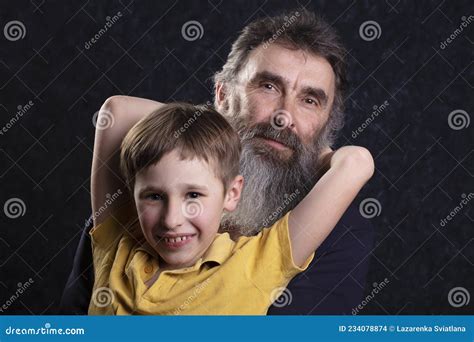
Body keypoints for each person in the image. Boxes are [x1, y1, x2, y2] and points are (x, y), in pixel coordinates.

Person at [61, 9, 375, 314]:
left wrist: (313, 153)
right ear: (222, 96)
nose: (283, 117)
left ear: (326, 126)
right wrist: (207, 136)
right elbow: (117, 112)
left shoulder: (328, 233)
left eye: (309, 101)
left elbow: (355, 163)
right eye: (267, 86)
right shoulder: (133, 222)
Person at [88, 102, 373, 314]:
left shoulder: (255, 264)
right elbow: (116, 110)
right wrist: (203, 129)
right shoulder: (118, 243)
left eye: (194, 195)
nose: (172, 219)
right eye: (154, 197)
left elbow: (356, 163)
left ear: (232, 193)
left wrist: (306, 153)